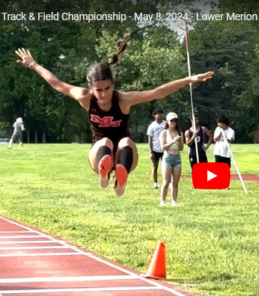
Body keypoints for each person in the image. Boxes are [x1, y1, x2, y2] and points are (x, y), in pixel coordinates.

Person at [15, 34, 214, 196]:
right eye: (98, 90)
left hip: (126, 156)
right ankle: (104, 174)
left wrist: (189, 79)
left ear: (113, 85)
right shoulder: (85, 97)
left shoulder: (123, 99)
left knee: (124, 141)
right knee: (106, 143)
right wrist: (33, 64)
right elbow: (57, 84)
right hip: (98, 153)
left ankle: (121, 178)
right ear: (90, 87)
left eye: (107, 89)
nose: (102, 95)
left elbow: (157, 92)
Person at [159, 113, 183, 206]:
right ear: (168, 122)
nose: (173, 123)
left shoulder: (179, 133)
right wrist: (172, 141)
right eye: (172, 121)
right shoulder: (164, 132)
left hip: (177, 158)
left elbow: (181, 148)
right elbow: (162, 147)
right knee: (166, 181)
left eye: (175, 121)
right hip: (167, 157)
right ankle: (163, 201)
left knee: (175, 183)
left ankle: (174, 201)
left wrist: (179, 142)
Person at [213, 116, 235, 189]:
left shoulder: (231, 131)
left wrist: (226, 137)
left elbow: (230, 140)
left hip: (226, 152)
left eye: (220, 123)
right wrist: (220, 134)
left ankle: (226, 184)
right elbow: (215, 139)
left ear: (224, 123)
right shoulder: (217, 129)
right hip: (218, 152)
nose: (218, 124)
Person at [147, 110, 166, 189]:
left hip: (164, 149)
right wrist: (151, 151)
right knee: (155, 166)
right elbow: (150, 139)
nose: (159, 115)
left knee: (166, 167)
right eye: (157, 114)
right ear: (154, 116)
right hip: (155, 149)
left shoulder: (165, 124)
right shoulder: (152, 126)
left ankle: (166, 182)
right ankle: (155, 183)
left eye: (160, 113)